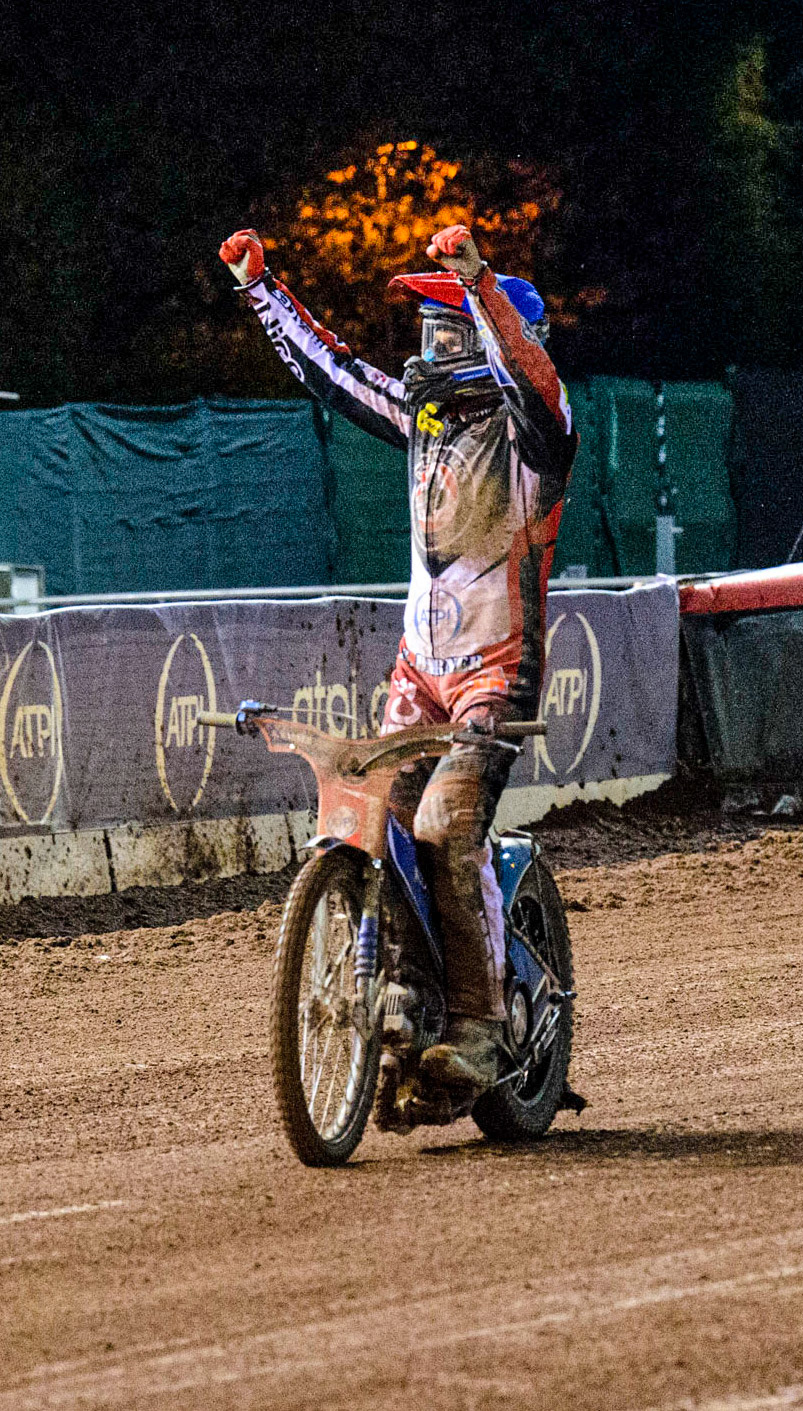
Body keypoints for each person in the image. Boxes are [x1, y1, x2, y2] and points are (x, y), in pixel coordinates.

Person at [219, 221, 577, 1091]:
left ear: (487, 338)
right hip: (418, 670)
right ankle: (412, 996)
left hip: (495, 671)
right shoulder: (423, 423)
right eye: (427, 326)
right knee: (381, 826)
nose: (427, 346)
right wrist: (260, 289)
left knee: (447, 828)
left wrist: (482, 282)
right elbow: (333, 373)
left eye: (445, 328)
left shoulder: (538, 435)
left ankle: (487, 1024)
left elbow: (532, 381)